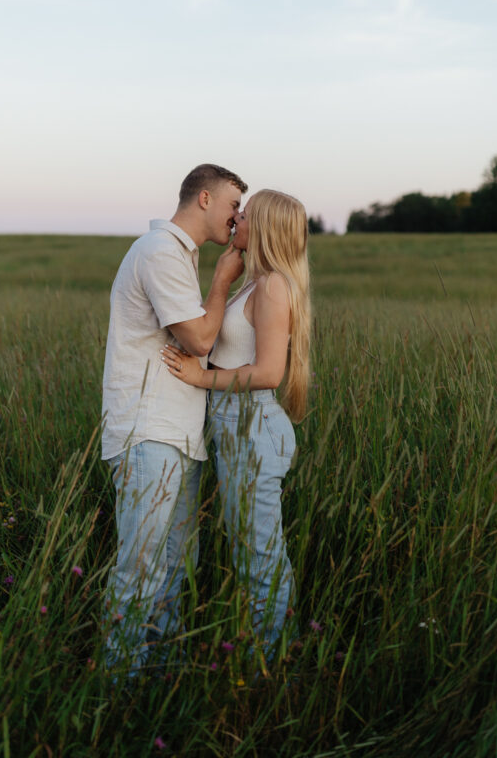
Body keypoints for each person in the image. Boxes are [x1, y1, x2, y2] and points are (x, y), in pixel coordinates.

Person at [101, 163, 247, 671]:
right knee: (141, 570)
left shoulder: (178, 257)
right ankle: (118, 692)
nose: (237, 218)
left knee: (173, 571)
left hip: (178, 436)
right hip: (149, 434)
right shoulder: (161, 252)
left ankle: (157, 689)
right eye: (232, 205)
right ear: (203, 198)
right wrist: (224, 278)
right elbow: (200, 339)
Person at [162, 189, 311, 655]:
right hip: (237, 429)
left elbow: (269, 372)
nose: (236, 218)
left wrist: (201, 378)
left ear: (263, 228)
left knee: (259, 554)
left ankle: (270, 659)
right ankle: (268, 649)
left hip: (254, 427)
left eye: (244, 214)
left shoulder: (273, 287)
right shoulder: (255, 282)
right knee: (250, 549)